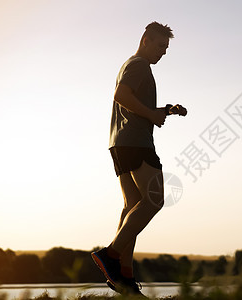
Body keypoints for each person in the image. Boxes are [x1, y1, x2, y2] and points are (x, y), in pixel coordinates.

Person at [91, 22, 187, 296]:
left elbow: (135, 106)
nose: (163, 52)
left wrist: (165, 111)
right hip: (136, 142)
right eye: (160, 46)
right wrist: (152, 114)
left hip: (119, 143)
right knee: (155, 199)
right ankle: (110, 255)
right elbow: (121, 96)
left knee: (133, 205)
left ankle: (124, 276)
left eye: (166, 48)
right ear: (146, 40)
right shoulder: (139, 64)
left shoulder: (131, 65)